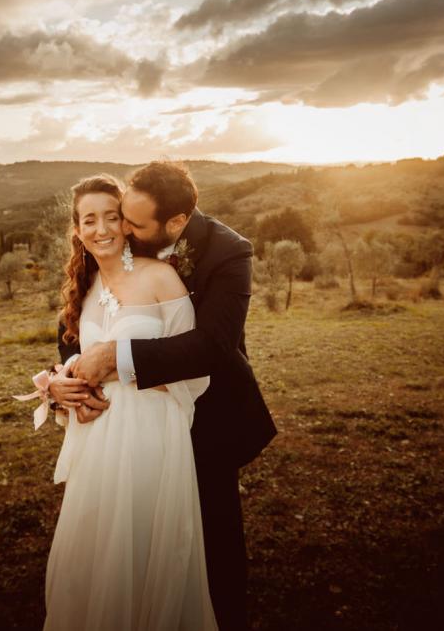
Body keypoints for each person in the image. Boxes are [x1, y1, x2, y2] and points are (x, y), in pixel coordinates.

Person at [53, 161, 277, 631]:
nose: (121, 231)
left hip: (202, 417)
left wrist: (117, 357)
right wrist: (58, 387)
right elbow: (73, 348)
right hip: (109, 440)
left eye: (128, 222)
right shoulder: (94, 273)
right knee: (113, 548)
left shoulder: (226, 252)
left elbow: (213, 346)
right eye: (110, 218)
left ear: (174, 223)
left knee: (206, 545)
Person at [41, 173, 218, 630]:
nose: (101, 229)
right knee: (94, 561)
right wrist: (59, 387)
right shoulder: (82, 293)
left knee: (145, 555)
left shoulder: (160, 278)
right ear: (77, 230)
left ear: (126, 224)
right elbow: (73, 361)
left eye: (111, 217)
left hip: (152, 439)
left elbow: (195, 368)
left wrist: (119, 371)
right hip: (97, 447)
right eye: (88, 220)